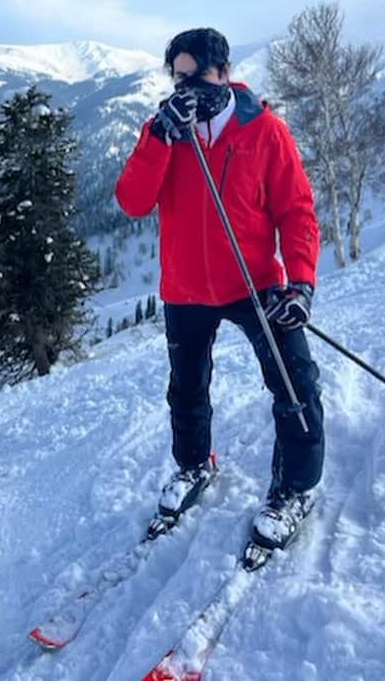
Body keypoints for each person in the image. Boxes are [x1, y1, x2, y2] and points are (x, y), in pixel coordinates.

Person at [115, 27, 324, 550]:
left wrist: (300, 282)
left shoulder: (264, 131)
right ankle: (192, 466)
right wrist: (160, 139)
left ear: (224, 73)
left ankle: (296, 488)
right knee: (187, 390)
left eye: (197, 76)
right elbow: (133, 201)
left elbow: (296, 210)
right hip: (186, 287)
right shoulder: (164, 130)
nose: (187, 89)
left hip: (254, 285)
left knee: (295, 383)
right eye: (178, 77)